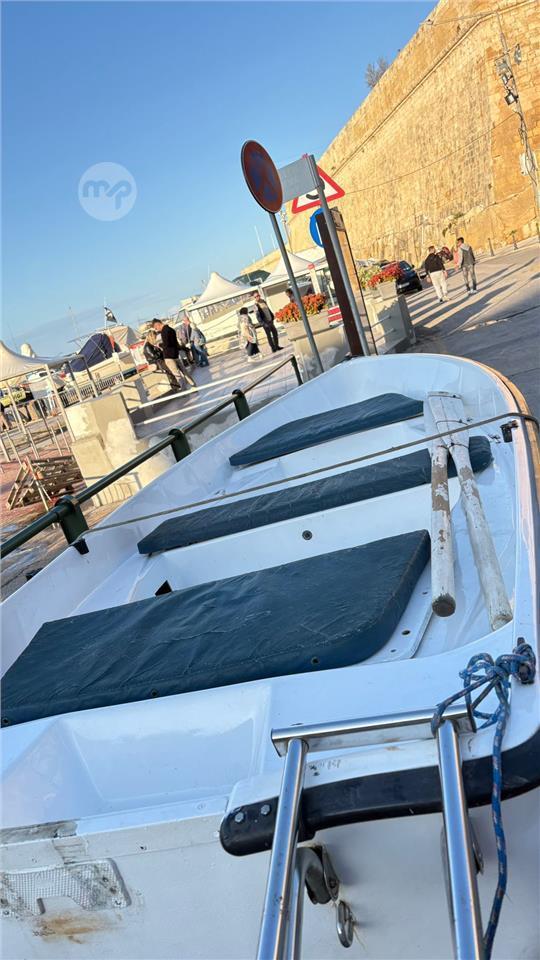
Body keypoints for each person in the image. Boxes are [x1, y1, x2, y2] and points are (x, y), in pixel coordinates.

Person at [151, 318, 196, 390]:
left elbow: (166, 344)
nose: (156, 330)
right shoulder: (171, 329)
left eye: (156, 328)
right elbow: (175, 343)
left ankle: (184, 390)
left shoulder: (164, 331)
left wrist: (159, 345)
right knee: (184, 371)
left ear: (158, 325)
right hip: (175, 354)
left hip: (168, 356)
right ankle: (193, 385)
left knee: (177, 375)